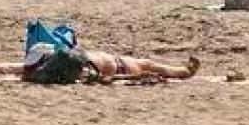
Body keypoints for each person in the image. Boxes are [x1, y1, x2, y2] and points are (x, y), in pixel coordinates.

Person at [24, 43, 200, 82]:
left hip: (117, 63)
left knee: (148, 64)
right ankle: (184, 72)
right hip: (120, 65)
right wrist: (137, 77)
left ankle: (184, 71)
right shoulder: (68, 62)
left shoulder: (53, 65)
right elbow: (105, 79)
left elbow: (11, 68)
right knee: (149, 64)